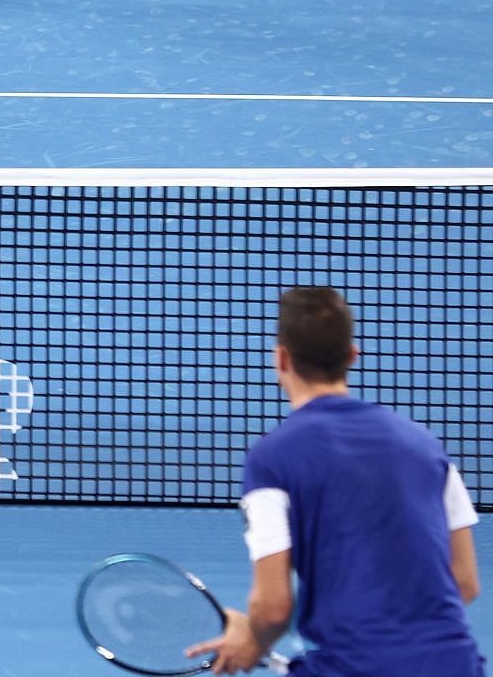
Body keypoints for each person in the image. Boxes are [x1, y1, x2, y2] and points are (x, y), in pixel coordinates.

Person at [187, 287, 483, 675]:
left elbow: (274, 607)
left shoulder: (270, 460)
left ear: (281, 359)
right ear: (351, 356)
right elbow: (464, 582)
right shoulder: (427, 446)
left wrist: (252, 641)